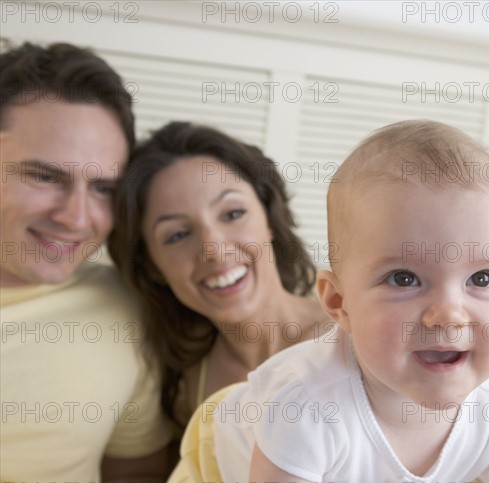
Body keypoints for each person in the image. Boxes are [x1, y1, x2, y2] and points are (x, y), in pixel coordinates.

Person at [191, 120, 489, 483]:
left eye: (481, 279)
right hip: (227, 468)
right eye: (404, 278)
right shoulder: (307, 409)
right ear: (337, 302)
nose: (450, 315)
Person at [0, 42, 172, 483]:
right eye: (45, 176)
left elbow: (134, 472)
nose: (77, 218)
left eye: (102, 188)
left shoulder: (124, 307)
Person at [108, 121, 331, 426]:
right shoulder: (184, 382)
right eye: (177, 235)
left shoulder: (354, 340)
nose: (214, 249)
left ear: (268, 218)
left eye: (232, 214)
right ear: (152, 266)